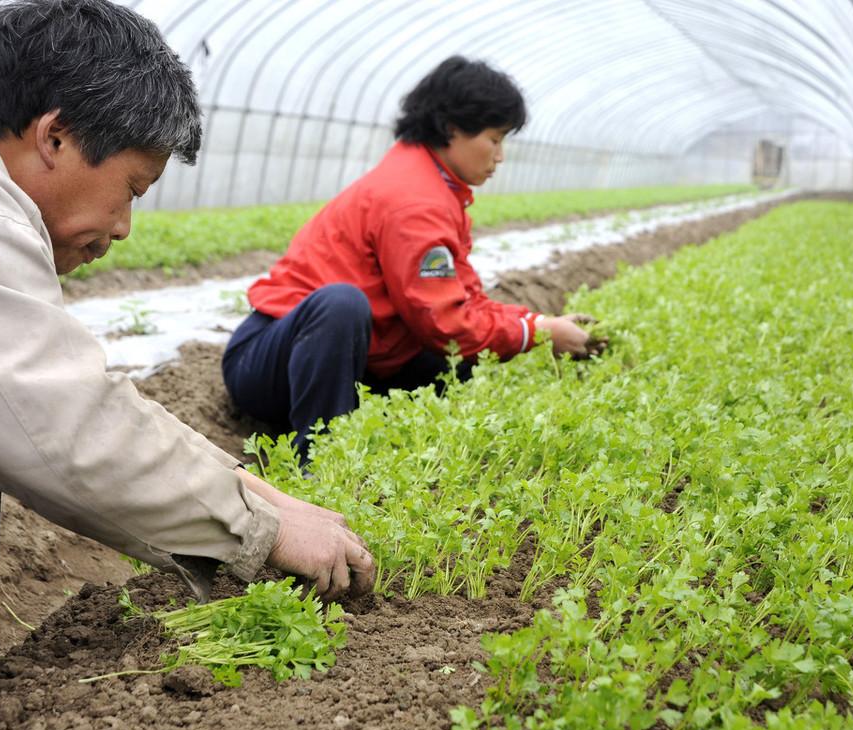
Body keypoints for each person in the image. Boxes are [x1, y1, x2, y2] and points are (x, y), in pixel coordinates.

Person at [0, 0, 374, 700]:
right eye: (130, 189)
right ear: (54, 136)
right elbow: (64, 427)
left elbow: (39, 394)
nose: (125, 227)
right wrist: (265, 528)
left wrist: (256, 492)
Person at [222, 56, 606, 463]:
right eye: (494, 139)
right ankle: (317, 464)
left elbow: (462, 299)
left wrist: (535, 325)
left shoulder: (434, 186)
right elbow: (445, 323)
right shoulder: (414, 201)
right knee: (343, 305)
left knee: (459, 367)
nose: (500, 156)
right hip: (267, 363)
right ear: (452, 128)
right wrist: (539, 334)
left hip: (340, 355)